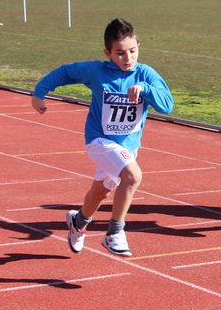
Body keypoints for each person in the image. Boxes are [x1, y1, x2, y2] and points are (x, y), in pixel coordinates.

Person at [31, 18, 173, 257]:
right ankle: (114, 233)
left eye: (132, 51)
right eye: (119, 53)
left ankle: (78, 222)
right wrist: (39, 93)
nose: (127, 58)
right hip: (99, 142)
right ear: (108, 53)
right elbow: (65, 72)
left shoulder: (146, 74)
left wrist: (146, 90)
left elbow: (167, 106)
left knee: (101, 192)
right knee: (132, 176)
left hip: (127, 147)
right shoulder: (96, 71)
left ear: (138, 45)